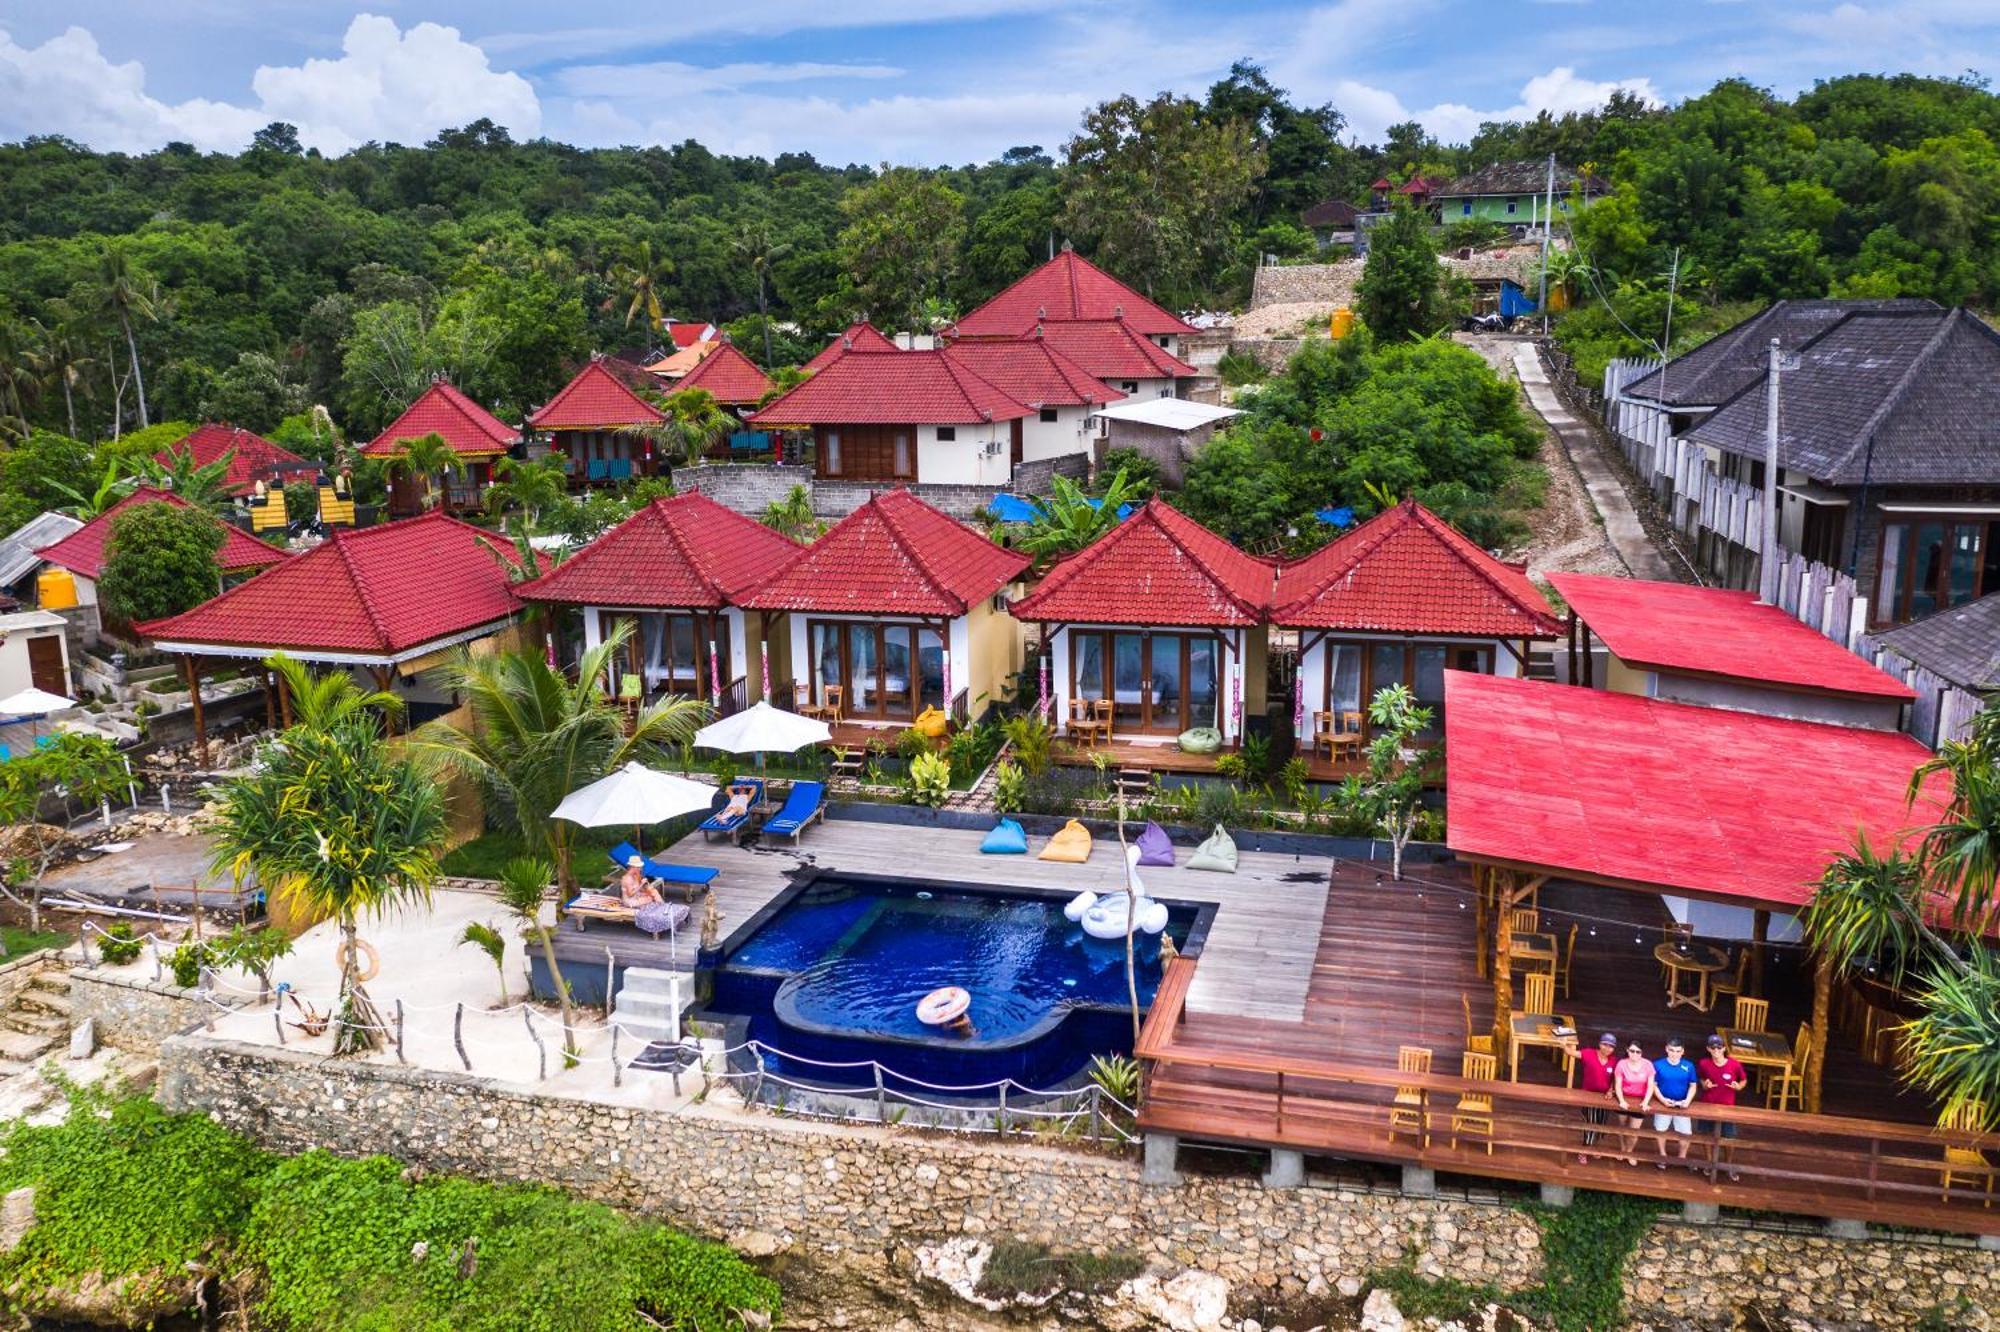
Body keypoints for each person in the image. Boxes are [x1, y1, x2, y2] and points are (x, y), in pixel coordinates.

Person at [1697, 1033, 1750, 1180]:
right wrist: (1705, 1085)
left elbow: (1743, 1080)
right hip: (1708, 1104)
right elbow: (1701, 1078)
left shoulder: (1735, 1064)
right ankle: (1709, 1163)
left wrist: (1738, 1086)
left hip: (1728, 1107)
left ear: (1724, 1048)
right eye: (1713, 1048)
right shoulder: (1703, 1063)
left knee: (1729, 1137)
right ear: (1708, 1049)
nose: (1716, 1050)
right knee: (1706, 1135)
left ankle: (1728, 1165)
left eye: (1719, 1047)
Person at [1649, 1037, 1699, 1168]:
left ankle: (1682, 1157)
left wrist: (1687, 1101)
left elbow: (1693, 1085)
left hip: (1682, 1104)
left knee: (1686, 1133)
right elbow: (1653, 1085)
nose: (1674, 1053)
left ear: (1682, 1051)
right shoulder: (1658, 1065)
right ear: (1666, 1049)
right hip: (1663, 1103)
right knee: (1660, 1130)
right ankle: (1662, 1155)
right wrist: (1663, 1101)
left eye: (1677, 1051)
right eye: (1671, 1050)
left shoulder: (1688, 1066)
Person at [1576, 1032, 1619, 1163]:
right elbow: (1573, 1053)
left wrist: (1611, 1090)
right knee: (1590, 1123)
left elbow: (1615, 1079)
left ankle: (1593, 1147)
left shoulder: (1614, 1060)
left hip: (1604, 1098)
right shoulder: (1589, 1053)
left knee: (1601, 1123)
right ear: (1600, 1044)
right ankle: (1584, 1150)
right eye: (1605, 1044)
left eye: (1611, 1046)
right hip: (1588, 1096)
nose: (1607, 1048)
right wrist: (1564, 1044)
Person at [1611, 1039, 1655, 1165]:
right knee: (1622, 1126)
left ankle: (1629, 1151)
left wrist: (1646, 1102)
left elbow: (1650, 1085)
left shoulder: (1648, 1065)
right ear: (1627, 1050)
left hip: (1640, 1099)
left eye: (1638, 1052)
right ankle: (1622, 1148)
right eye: (1632, 1051)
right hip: (1624, 1097)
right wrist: (1621, 1101)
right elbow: (1617, 1085)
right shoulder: (1621, 1064)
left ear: (1642, 1053)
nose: (1635, 1054)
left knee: (1634, 1131)